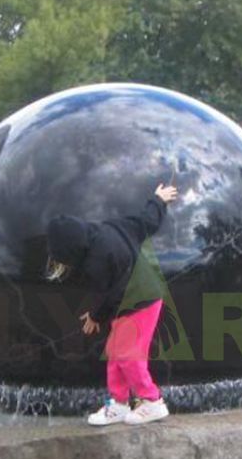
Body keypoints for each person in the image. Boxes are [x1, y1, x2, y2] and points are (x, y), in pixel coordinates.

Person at [45, 182, 179, 426]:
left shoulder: (95, 262)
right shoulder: (111, 227)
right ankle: (118, 403)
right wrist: (158, 201)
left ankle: (152, 401)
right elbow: (144, 222)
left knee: (129, 355)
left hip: (141, 301)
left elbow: (107, 295)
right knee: (116, 352)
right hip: (135, 299)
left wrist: (95, 317)